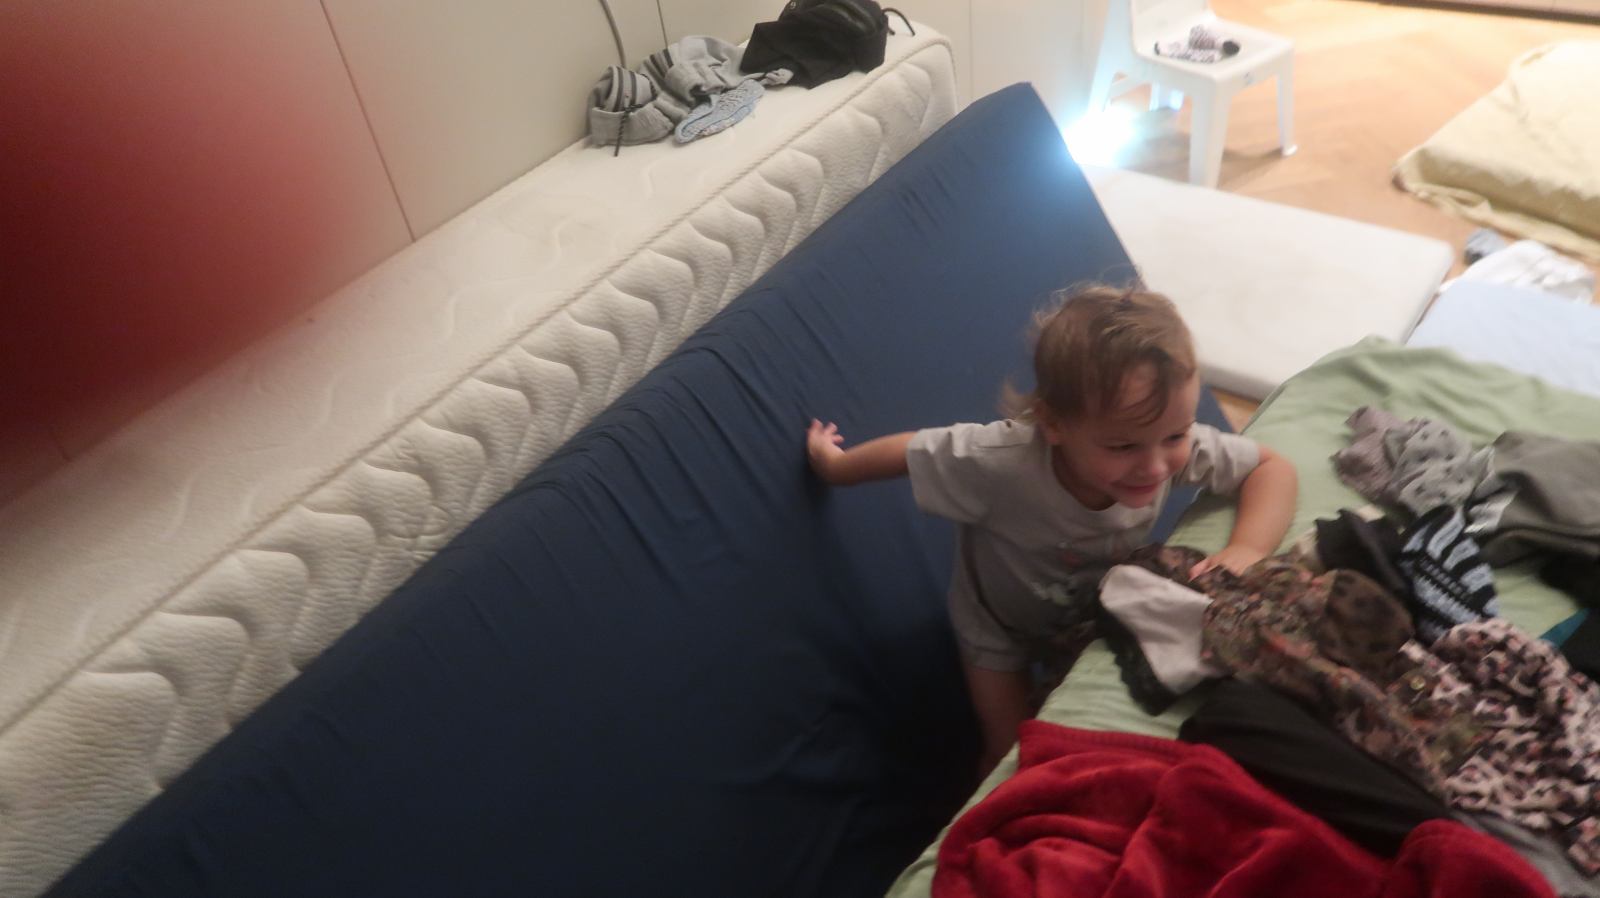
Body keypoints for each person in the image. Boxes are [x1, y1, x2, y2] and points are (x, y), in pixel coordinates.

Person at [805, 284, 1298, 776]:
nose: (1155, 466)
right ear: (1053, 424)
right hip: (997, 627)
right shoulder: (1000, 462)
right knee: (1007, 751)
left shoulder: (1162, 442)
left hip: (1087, 613)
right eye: (1122, 447)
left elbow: (1271, 467)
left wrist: (1247, 547)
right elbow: (911, 452)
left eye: (1175, 435)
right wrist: (835, 466)